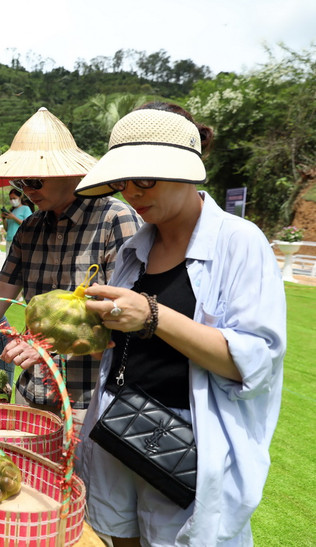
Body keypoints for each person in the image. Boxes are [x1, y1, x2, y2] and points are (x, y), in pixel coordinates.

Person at [74, 103, 285, 546]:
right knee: (115, 538)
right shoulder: (136, 249)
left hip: (188, 444)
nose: (131, 192)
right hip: (120, 427)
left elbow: (254, 362)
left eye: (145, 179)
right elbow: (125, 346)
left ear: (185, 172)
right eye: (121, 181)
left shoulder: (239, 242)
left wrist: (152, 316)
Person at [0, 106, 141, 426]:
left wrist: (48, 348)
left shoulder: (115, 220)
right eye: (21, 181)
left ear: (68, 172)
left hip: (89, 402)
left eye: (34, 180)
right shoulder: (31, 227)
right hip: (32, 394)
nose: (27, 190)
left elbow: (125, 316)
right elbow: (2, 291)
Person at [2, 188, 33, 254]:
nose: (12, 200)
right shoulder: (11, 211)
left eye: (14, 198)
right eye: (10, 198)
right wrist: (3, 219)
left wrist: (14, 218)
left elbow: (28, 224)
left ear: (20, 197)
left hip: (20, 241)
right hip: (9, 240)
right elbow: (7, 228)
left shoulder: (25, 209)